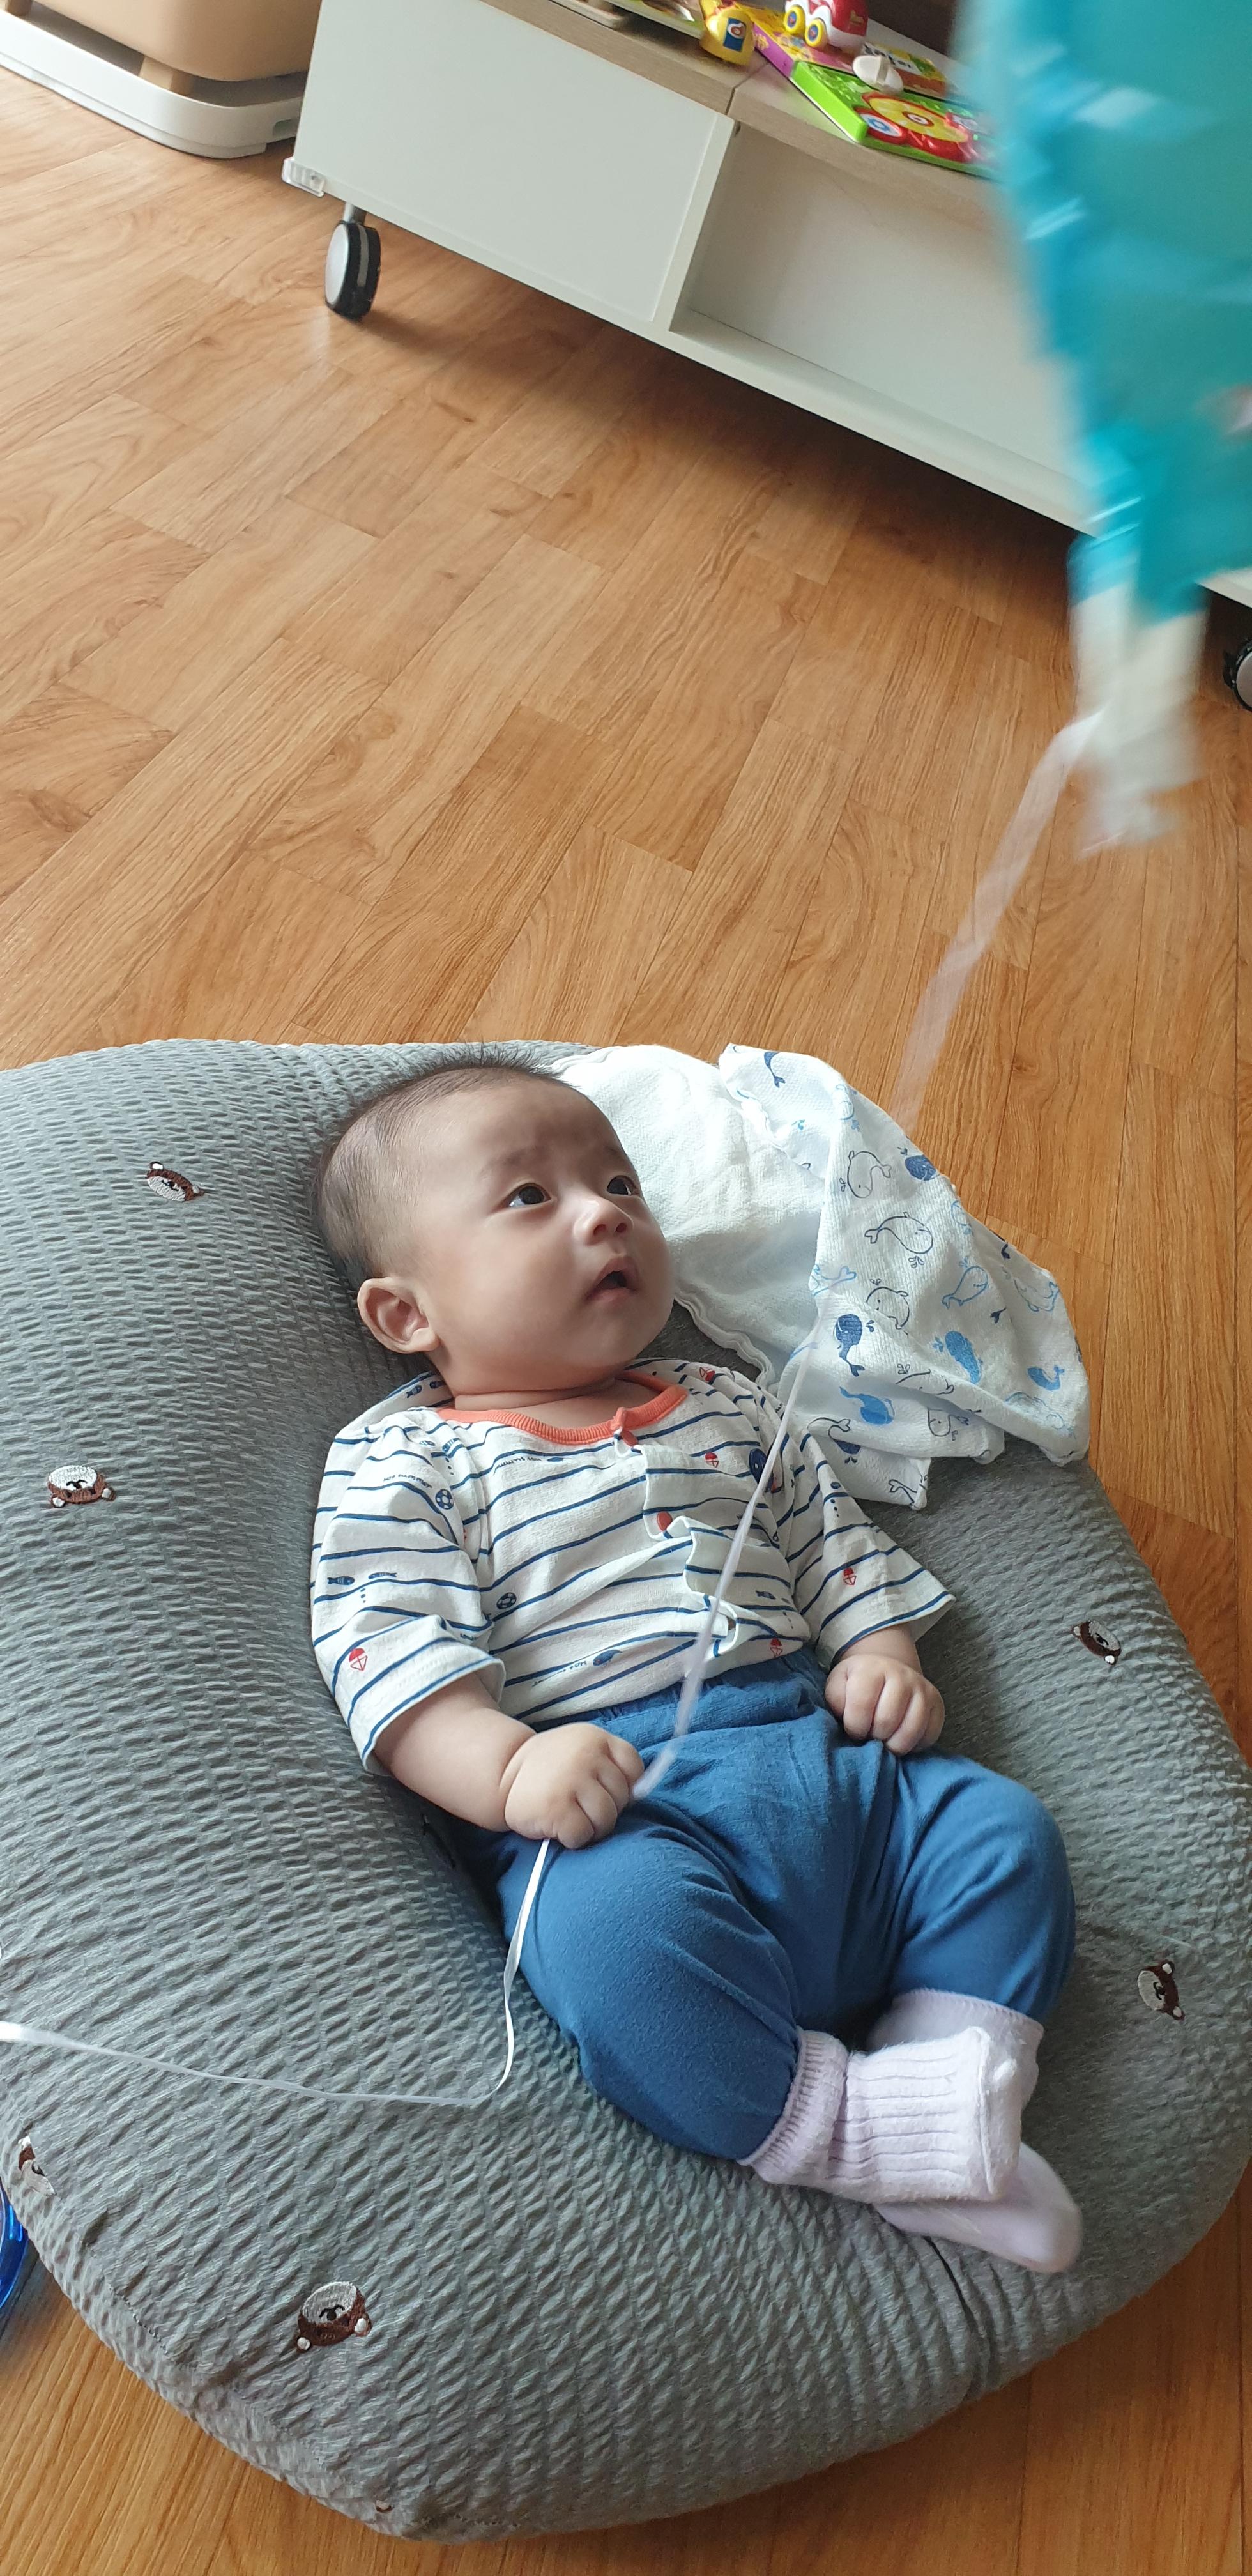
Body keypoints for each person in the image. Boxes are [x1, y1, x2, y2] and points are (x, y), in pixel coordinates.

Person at [310, 1054, 1080, 2271]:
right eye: (530, 1198)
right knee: (615, 1945)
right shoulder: (405, 1462)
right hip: (620, 1814)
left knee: (1001, 1836)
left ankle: (952, 2078)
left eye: (621, 1185)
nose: (605, 1213)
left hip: (830, 1777)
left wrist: (877, 1651)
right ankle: (848, 2133)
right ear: (409, 1316)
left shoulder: (729, 1401)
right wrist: (508, 1773)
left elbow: (827, 1541)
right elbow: (389, 1656)